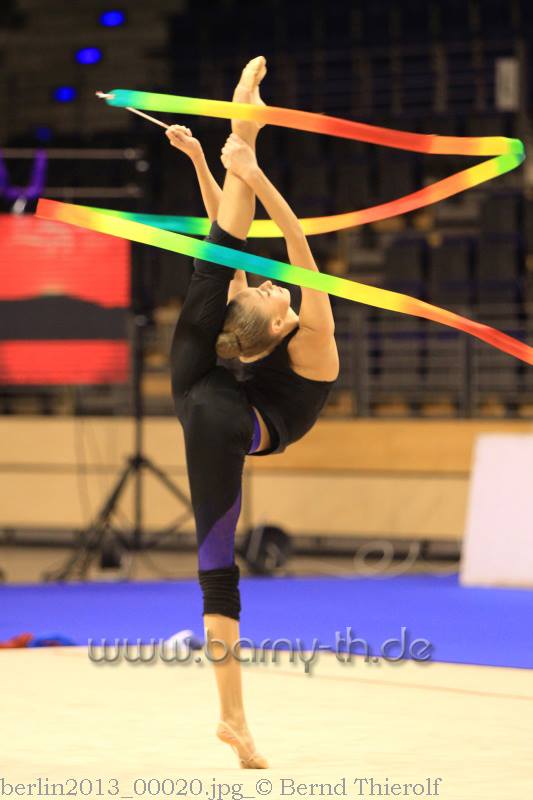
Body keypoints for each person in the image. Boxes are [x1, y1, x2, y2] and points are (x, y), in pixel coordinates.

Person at [166, 56, 339, 769]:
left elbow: (299, 253)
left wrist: (254, 174)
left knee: (221, 257)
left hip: (229, 417)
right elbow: (230, 240)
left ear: (273, 327)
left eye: (268, 293)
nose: (270, 286)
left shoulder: (314, 339)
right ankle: (234, 721)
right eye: (263, 290)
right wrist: (207, 162)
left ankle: (249, 127)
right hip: (207, 396)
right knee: (217, 258)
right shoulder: (263, 331)